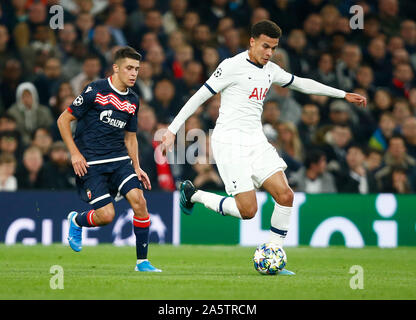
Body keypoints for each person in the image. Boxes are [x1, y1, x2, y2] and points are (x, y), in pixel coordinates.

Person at [161, 20, 366, 274]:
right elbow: (199, 97)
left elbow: (302, 82)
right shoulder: (231, 66)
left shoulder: (271, 69)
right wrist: (172, 130)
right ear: (252, 42)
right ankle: (194, 195)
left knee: (286, 196)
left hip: (256, 141)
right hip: (229, 142)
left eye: (274, 48)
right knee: (248, 211)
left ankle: (274, 254)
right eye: (266, 46)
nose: (269, 53)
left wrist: (342, 94)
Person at [57, 46, 161, 272]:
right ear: (116, 68)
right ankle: (76, 220)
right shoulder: (95, 90)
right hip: (91, 163)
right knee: (106, 216)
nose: (134, 73)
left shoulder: (133, 100)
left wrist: (137, 167)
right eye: (129, 68)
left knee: (140, 202)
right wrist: (74, 153)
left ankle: (142, 262)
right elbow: (63, 120)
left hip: (120, 161)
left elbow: (131, 138)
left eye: (137, 69)